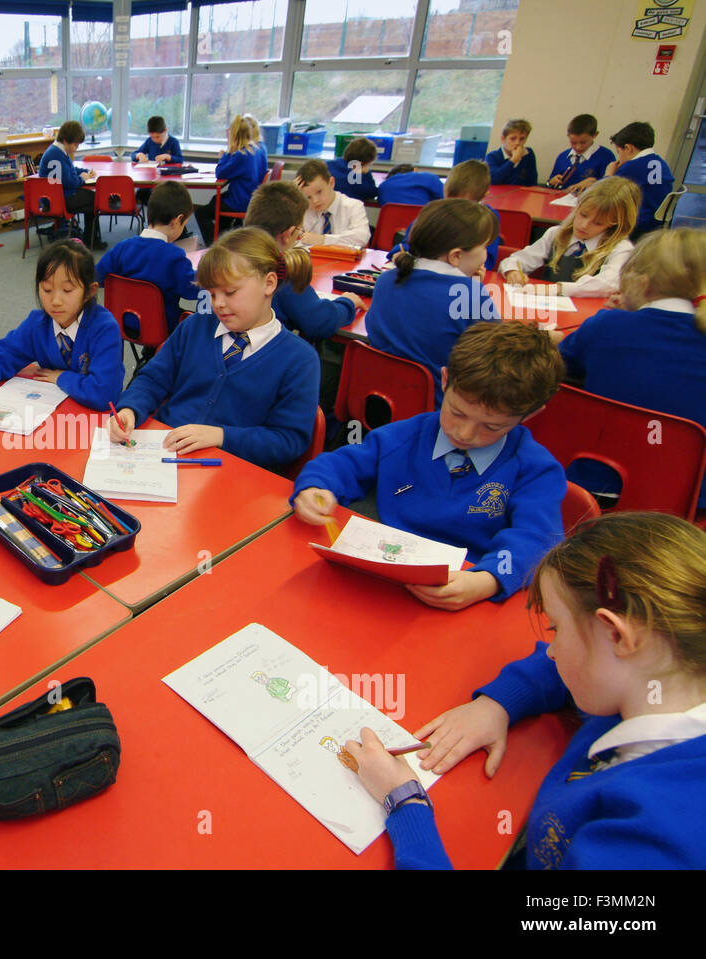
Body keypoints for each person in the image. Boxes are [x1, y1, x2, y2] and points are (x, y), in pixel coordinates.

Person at [347, 513, 706, 869]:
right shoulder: (659, 681)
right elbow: (562, 667)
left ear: (616, 635)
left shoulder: (654, 842)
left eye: (556, 629)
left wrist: (405, 803)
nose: (550, 649)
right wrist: (498, 704)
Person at [293, 321, 566, 610]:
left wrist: (489, 579)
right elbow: (342, 464)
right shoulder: (406, 436)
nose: (465, 434)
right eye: (457, 413)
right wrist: (316, 489)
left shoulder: (535, 470)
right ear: (445, 381)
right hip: (381, 576)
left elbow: (536, 541)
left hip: (465, 589)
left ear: (530, 414)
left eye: (491, 426)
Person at [107, 228, 320, 471]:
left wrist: (221, 436)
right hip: (161, 457)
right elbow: (153, 378)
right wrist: (129, 409)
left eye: (230, 292)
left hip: (231, 473)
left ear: (269, 283)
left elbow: (288, 441)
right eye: (212, 293)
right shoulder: (195, 326)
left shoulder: (300, 360)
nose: (218, 303)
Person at [557, 228, 706, 510]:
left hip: (592, 485)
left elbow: (561, 360)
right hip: (686, 499)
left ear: (641, 282)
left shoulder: (605, 326)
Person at [0, 239, 122, 413]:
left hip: (95, 423)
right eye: (47, 290)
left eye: (68, 291)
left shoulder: (104, 328)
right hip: (52, 415)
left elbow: (105, 394)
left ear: (89, 292)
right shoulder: (38, 324)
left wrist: (62, 377)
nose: (55, 301)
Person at [367, 198, 499, 402]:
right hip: (438, 409)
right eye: (485, 246)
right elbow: (497, 355)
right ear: (456, 256)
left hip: (378, 399)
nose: (486, 254)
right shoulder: (470, 295)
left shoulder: (385, 280)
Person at [242, 180, 363, 340]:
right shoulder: (281, 270)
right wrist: (348, 303)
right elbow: (319, 323)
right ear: (288, 234)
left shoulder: (226, 255)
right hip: (262, 356)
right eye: (298, 231)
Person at [501, 177, 639, 297]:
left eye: (598, 223)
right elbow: (518, 259)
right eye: (583, 215)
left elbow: (608, 283)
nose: (584, 225)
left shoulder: (621, 248)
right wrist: (512, 270)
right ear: (577, 206)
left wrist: (558, 288)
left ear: (614, 224)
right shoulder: (556, 234)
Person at [95, 180, 199, 335]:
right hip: (163, 328)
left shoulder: (121, 248)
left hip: (123, 322)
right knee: (198, 318)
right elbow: (192, 291)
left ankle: (150, 353)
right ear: (177, 220)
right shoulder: (174, 256)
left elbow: (97, 277)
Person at [391, 160, 500, 268]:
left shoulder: (487, 219)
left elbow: (488, 262)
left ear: (483, 197)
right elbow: (408, 242)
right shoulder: (435, 211)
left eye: (463, 204)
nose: (453, 208)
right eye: (449, 201)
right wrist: (402, 253)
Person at [194, 115, 266, 243]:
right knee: (216, 200)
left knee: (201, 213)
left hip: (240, 201)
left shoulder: (242, 155)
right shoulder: (257, 149)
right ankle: (223, 239)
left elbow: (220, 172)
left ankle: (213, 245)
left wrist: (227, 153)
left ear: (234, 135)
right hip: (251, 196)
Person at [602, 122, 674, 239]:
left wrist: (608, 174)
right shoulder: (661, 163)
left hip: (637, 224)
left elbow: (604, 194)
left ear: (628, 148)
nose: (619, 157)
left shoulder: (632, 166)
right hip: (655, 224)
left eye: (619, 152)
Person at [38, 120, 100, 247]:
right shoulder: (57, 154)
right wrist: (83, 179)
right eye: (75, 145)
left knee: (91, 201)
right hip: (60, 198)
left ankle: (90, 238)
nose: (76, 148)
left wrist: (85, 171)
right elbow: (69, 181)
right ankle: (91, 240)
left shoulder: (57, 151)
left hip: (57, 196)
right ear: (66, 141)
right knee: (95, 199)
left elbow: (70, 170)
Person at [295, 158, 370, 248]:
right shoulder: (303, 209)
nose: (315, 201)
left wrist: (324, 239)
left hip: (345, 260)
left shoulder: (353, 206)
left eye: (319, 192)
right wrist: (292, 196)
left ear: (331, 183)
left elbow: (362, 237)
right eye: (308, 197)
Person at [546, 113, 617, 191]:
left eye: (583, 142)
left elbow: (611, 189)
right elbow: (550, 186)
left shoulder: (606, 156)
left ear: (595, 135)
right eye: (573, 142)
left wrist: (595, 184)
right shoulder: (563, 156)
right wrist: (551, 182)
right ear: (568, 136)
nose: (578, 147)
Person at [486, 118, 537, 186]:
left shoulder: (528, 154)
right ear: (503, 139)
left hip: (520, 194)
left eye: (522, 139)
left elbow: (532, 182)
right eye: (513, 138)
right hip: (500, 194)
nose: (517, 143)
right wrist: (513, 160)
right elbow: (493, 180)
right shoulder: (492, 156)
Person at [327, 137, 379, 203]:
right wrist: (367, 174)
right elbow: (372, 193)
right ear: (362, 163)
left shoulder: (329, 164)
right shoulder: (356, 178)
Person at [376, 164, 443, 207]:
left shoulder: (383, 186)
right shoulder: (427, 177)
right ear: (415, 170)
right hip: (421, 225)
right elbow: (446, 196)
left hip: (392, 227)